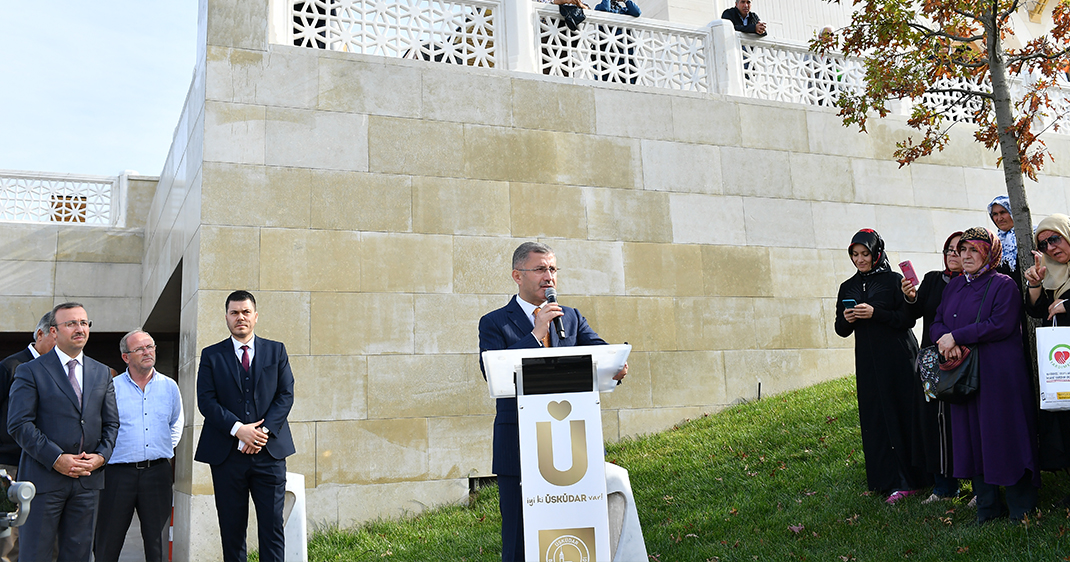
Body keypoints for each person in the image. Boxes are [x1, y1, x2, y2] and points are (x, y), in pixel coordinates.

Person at [478, 242, 627, 562]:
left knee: (579, 531)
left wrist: (617, 367)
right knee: (519, 539)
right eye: (541, 269)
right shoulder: (494, 322)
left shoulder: (571, 318)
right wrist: (536, 333)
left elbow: (602, 353)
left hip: (573, 447)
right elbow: (491, 371)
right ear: (517, 276)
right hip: (519, 445)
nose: (549, 277)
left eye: (553, 269)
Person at [932, 227, 1039, 523]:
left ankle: (1021, 508)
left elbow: (1001, 324)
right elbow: (938, 320)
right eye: (962, 250)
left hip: (998, 374)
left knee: (1004, 434)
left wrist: (957, 336)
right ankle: (988, 509)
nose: (965, 256)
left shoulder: (1004, 284)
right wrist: (945, 339)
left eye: (973, 250)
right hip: (964, 375)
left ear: (989, 254)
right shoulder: (954, 286)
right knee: (973, 438)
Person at [8, 302, 119, 562]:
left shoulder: (102, 373)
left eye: (83, 323)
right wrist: (56, 458)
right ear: (54, 332)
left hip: (87, 482)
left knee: (78, 556)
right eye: (71, 323)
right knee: (35, 555)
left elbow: (112, 424)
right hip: (43, 481)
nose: (79, 328)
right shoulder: (30, 371)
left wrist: (101, 457)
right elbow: (19, 424)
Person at [195, 290, 295, 562]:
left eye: (245, 312)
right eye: (234, 312)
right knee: (232, 527)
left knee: (272, 526)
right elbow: (206, 400)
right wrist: (239, 429)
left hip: (269, 453)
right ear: (226, 317)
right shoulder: (211, 355)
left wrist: (262, 432)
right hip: (227, 456)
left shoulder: (277, 350)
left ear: (256, 316)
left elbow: (285, 394)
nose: (240, 317)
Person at [834, 229, 928, 503]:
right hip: (868, 361)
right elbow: (840, 330)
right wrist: (849, 318)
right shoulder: (846, 287)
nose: (860, 260)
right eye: (855, 254)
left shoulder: (893, 281)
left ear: (877, 253)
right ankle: (883, 479)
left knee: (903, 413)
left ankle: (912, 479)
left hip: (899, 357)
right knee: (876, 417)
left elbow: (906, 319)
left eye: (865, 254)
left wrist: (877, 313)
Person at [94, 330, 183, 562]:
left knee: (158, 545)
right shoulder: (111, 388)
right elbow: (101, 428)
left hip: (157, 473)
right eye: (140, 349)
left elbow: (176, 424)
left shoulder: (169, 386)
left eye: (150, 346)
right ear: (126, 357)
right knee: (107, 542)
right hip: (117, 474)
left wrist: (160, 450)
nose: (147, 352)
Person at [901, 232, 964, 503]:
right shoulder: (932, 279)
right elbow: (911, 315)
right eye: (948, 249)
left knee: (964, 421)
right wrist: (911, 297)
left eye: (959, 249)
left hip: (964, 360)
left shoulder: (976, 284)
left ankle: (978, 485)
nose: (952, 254)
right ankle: (943, 486)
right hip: (930, 361)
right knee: (933, 422)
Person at [0, 311, 55, 562]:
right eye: (56, 336)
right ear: (40, 334)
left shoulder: (61, 372)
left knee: (45, 533)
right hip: (10, 463)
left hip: (47, 463)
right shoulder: (10, 366)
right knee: (9, 537)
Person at [1023, 213, 1070, 472]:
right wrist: (1035, 283)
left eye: (1055, 239)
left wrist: (1068, 306)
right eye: (1043, 244)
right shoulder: (1052, 273)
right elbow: (1037, 310)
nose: (1051, 247)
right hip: (1063, 361)